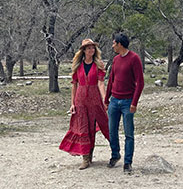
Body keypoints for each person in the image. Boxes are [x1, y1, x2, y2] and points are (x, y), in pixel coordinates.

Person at [59, 38, 109, 169]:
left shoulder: (99, 64)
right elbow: (74, 86)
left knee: (95, 127)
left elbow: (101, 82)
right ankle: (85, 158)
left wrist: (104, 99)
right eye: (88, 48)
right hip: (80, 100)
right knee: (82, 127)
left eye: (92, 48)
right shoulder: (78, 66)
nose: (91, 50)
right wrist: (72, 103)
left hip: (95, 99)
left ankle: (102, 153)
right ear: (84, 51)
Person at [104, 32, 144, 174]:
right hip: (114, 100)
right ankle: (115, 155)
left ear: (120, 44)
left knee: (129, 133)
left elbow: (140, 82)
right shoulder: (115, 60)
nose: (113, 45)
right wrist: (106, 99)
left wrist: (134, 103)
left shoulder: (134, 59)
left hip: (128, 102)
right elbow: (111, 80)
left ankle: (128, 162)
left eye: (114, 43)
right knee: (112, 130)